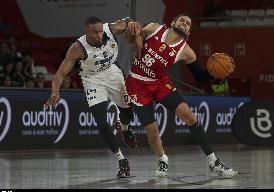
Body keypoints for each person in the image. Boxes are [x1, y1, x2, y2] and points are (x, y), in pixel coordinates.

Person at [124, 13, 238, 178]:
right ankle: (162, 159)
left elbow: (199, 77)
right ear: (172, 23)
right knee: (152, 131)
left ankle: (214, 163)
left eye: (188, 24)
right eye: (182, 20)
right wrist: (131, 32)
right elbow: (130, 41)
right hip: (137, 82)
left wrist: (215, 73)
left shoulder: (186, 51)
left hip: (160, 83)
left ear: (189, 31)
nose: (185, 24)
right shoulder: (153, 29)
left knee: (190, 116)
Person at [44, 16, 140, 177]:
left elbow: (129, 21)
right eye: (94, 33)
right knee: (102, 123)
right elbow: (60, 73)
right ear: (86, 32)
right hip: (92, 80)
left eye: (100, 31)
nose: (99, 35)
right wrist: (55, 92)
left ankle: (124, 128)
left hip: (112, 73)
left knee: (128, 111)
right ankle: (121, 159)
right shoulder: (77, 48)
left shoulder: (111, 29)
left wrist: (134, 25)